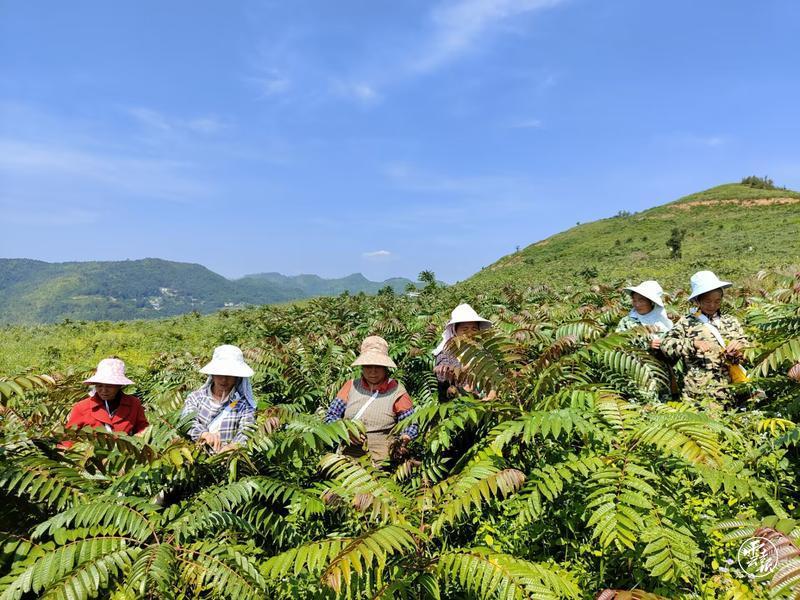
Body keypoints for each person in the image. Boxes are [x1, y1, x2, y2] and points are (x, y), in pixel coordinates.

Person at [324, 336, 417, 465]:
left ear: (385, 367)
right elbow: (331, 416)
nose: (373, 371)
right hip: (346, 461)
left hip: (381, 464)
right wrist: (346, 432)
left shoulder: (397, 391)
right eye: (368, 366)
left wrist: (403, 440)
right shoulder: (350, 386)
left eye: (378, 366)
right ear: (362, 366)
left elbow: (410, 424)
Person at [661, 271, 749, 402]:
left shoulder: (731, 321)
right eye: (707, 302)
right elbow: (666, 345)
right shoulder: (686, 322)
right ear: (697, 300)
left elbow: (749, 347)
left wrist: (741, 349)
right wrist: (692, 344)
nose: (712, 305)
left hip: (734, 391)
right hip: (700, 394)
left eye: (717, 301)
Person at [181, 345, 256, 454]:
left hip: (227, 463)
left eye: (230, 375)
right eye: (219, 374)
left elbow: (246, 431)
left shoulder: (244, 405)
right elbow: (187, 421)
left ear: (237, 377)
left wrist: (231, 448)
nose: (224, 379)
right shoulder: (196, 398)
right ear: (212, 374)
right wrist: (203, 434)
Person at [65, 357, 148, 440]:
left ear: (119, 385)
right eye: (99, 385)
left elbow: (143, 430)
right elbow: (69, 438)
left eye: (109, 386)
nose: (104, 390)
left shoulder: (134, 404)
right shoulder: (82, 407)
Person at [433, 303, 494, 401]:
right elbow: (442, 375)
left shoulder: (483, 351)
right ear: (455, 331)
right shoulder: (446, 353)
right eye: (464, 329)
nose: (470, 333)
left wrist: (491, 395)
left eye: (474, 329)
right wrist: (464, 370)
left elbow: (494, 377)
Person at [615, 280, 674, 348]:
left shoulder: (663, 321)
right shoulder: (626, 322)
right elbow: (619, 342)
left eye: (641, 300)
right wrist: (646, 344)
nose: (637, 305)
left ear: (651, 302)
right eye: (634, 300)